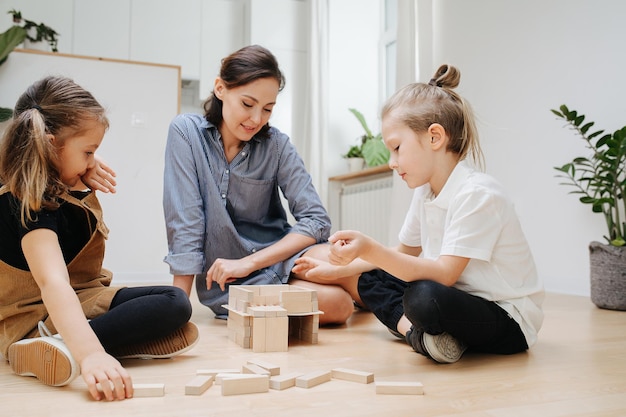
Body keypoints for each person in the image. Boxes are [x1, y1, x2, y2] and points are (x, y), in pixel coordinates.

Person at [294, 64, 544, 363]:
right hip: (460, 300)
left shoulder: (478, 194)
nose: (391, 161)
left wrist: (369, 248)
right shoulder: (425, 191)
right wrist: (339, 271)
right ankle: (421, 336)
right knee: (372, 276)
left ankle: (420, 332)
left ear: (435, 137)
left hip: (506, 319)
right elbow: (402, 253)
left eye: (397, 148)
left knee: (424, 297)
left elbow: (445, 274)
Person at [0, 76, 199, 401]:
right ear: (50, 145)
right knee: (164, 314)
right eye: (89, 151)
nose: (94, 162)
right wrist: (91, 355)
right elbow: (53, 284)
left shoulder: (60, 185)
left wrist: (78, 177)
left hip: (83, 297)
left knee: (175, 303)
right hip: (33, 316)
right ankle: (60, 345)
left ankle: (65, 345)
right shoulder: (27, 200)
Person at [163, 44, 356, 324]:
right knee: (338, 305)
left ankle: (404, 316)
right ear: (220, 89)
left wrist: (250, 262)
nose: (257, 119)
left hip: (279, 256)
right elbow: (186, 221)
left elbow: (316, 219)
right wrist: (176, 310)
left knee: (346, 262)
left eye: (267, 109)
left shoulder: (277, 145)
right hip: (230, 281)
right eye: (247, 104)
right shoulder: (186, 133)